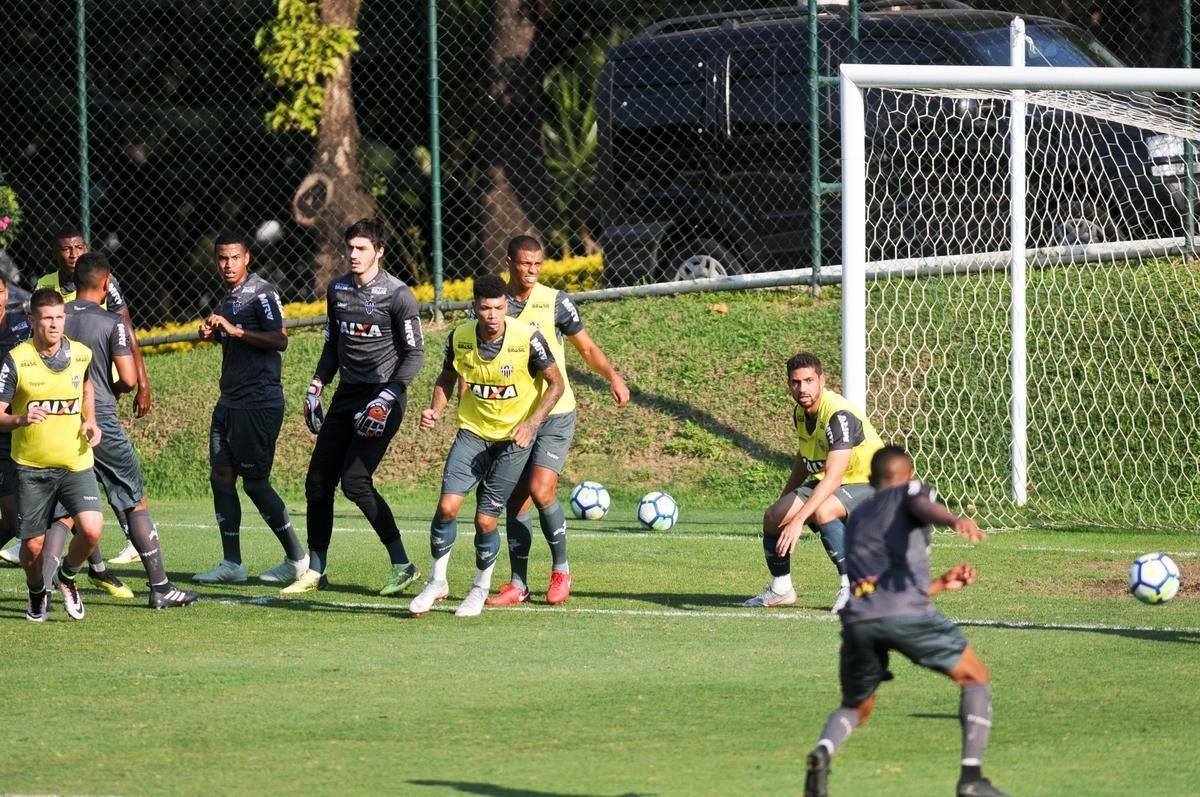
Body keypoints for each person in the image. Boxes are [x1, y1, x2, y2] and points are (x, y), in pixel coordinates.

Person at [803, 446, 1007, 797]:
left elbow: (876, 590)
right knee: (975, 677)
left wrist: (940, 584)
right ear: (909, 475)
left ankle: (823, 751)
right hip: (907, 615)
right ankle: (971, 779)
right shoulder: (913, 491)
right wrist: (952, 518)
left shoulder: (859, 516)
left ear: (869, 481)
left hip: (859, 621)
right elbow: (921, 505)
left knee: (856, 706)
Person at [281, 218, 425, 596]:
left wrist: (388, 396)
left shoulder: (398, 295)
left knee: (356, 482)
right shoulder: (338, 290)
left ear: (379, 251)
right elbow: (333, 344)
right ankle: (316, 570)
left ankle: (403, 565)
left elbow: (415, 354)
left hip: (384, 396)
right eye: (350, 248)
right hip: (347, 393)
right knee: (317, 483)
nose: (354, 255)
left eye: (362, 248)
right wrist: (316, 386)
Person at [484, 236, 629, 607]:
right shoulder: (494, 305)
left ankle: (561, 570)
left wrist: (613, 377)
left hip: (555, 411)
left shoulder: (556, 302)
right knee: (515, 498)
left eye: (538, 264)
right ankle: (518, 583)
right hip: (514, 417)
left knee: (541, 489)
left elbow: (587, 349)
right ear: (509, 262)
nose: (532, 271)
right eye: (524, 264)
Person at [410, 273, 564, 618]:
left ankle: (480, 588)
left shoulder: (527, 339)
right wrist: (435, 409)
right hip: (473, 432)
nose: (492, 315)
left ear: (506, 306)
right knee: (447, 507)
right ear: (474, 308)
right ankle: (437, 582)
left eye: (497, 307)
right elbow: (447, 378)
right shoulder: (460, 338)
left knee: (485, 520)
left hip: (513, 440)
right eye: (485, 308)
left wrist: (532, 423)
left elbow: (556, 384)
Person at [58, 253, 198, 609]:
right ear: (105, 284)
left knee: (63, 507)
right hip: (100, 420)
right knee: (133, 501)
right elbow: (130, 377)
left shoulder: (55, 317)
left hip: (60, 421)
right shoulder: (110, 322)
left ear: (75, 282)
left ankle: (42, 589)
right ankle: (161, 587)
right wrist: (115, 391)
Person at [193, 232, 307, 585]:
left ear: (247, 259)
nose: (227, 265)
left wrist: (235, 331)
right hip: (229, 401)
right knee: (222, 476)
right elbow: (235, 338)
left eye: (234, 258)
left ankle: (297, 559)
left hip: (258, 402)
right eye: (222, 259)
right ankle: (233, 564)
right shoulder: (228, 299)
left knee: (256, 483)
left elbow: (279, 339)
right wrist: (215, 334)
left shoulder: (262, 292)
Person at [42, 225, 151, 567]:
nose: (73, 253)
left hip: (71, 406)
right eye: (66, 248)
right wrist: (125, 385)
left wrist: (142, 384)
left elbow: (125, 328)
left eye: (78, 247)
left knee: (69, 494)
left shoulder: (86, 304)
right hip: (91, 407)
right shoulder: (48, 287)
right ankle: (157, 580)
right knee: (127, 488)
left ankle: (46, 576)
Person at [746, 352, 883, 613]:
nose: (803, 388)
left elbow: (832, 478)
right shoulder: (800, 412)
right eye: (796, 382)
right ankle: (781, 588)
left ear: (822, 380)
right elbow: (804, 456)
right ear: (789, 384)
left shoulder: (838, 416)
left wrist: (798, 521)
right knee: (774, 516)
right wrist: (785, 502)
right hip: (840, 482)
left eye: (809, 380)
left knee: (824, 509)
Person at [0, 288, 104, 621]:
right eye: (47, 318)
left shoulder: (81, 354)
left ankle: (68, 578)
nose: (55, 324)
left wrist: (91, 421)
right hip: (32, 468)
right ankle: (36, 593)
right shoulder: (17, 360)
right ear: (32, 320)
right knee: (31, 548)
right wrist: (20, 418)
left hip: (75, 462)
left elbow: (87, 387)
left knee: (91, 528)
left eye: (60, 317)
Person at [0, 279, 31, 566]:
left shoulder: (23, 326)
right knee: (10, 517)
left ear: (6, 294)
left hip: (21, 426)